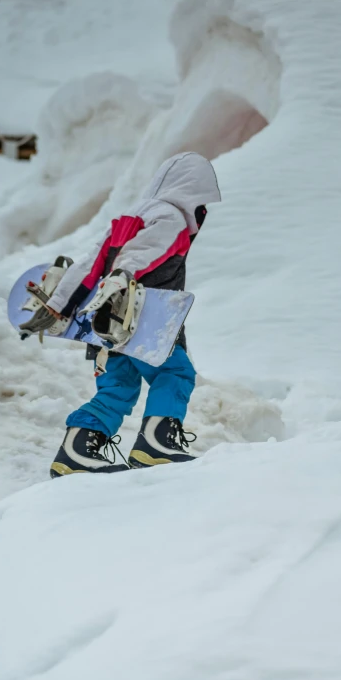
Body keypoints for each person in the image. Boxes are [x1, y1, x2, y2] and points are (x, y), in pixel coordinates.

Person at [46, 152, 221, 477]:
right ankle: (157, 444)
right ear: (192, 192)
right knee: (176, 373)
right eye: (202, 204)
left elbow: (89, 263)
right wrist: (122, 277)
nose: (203, 213)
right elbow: (142, 253)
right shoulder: (171, 218)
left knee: (118, 388)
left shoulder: (130, 216)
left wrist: (60, 304)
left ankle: (77, 450)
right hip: (142, 318)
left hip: (102, 322)